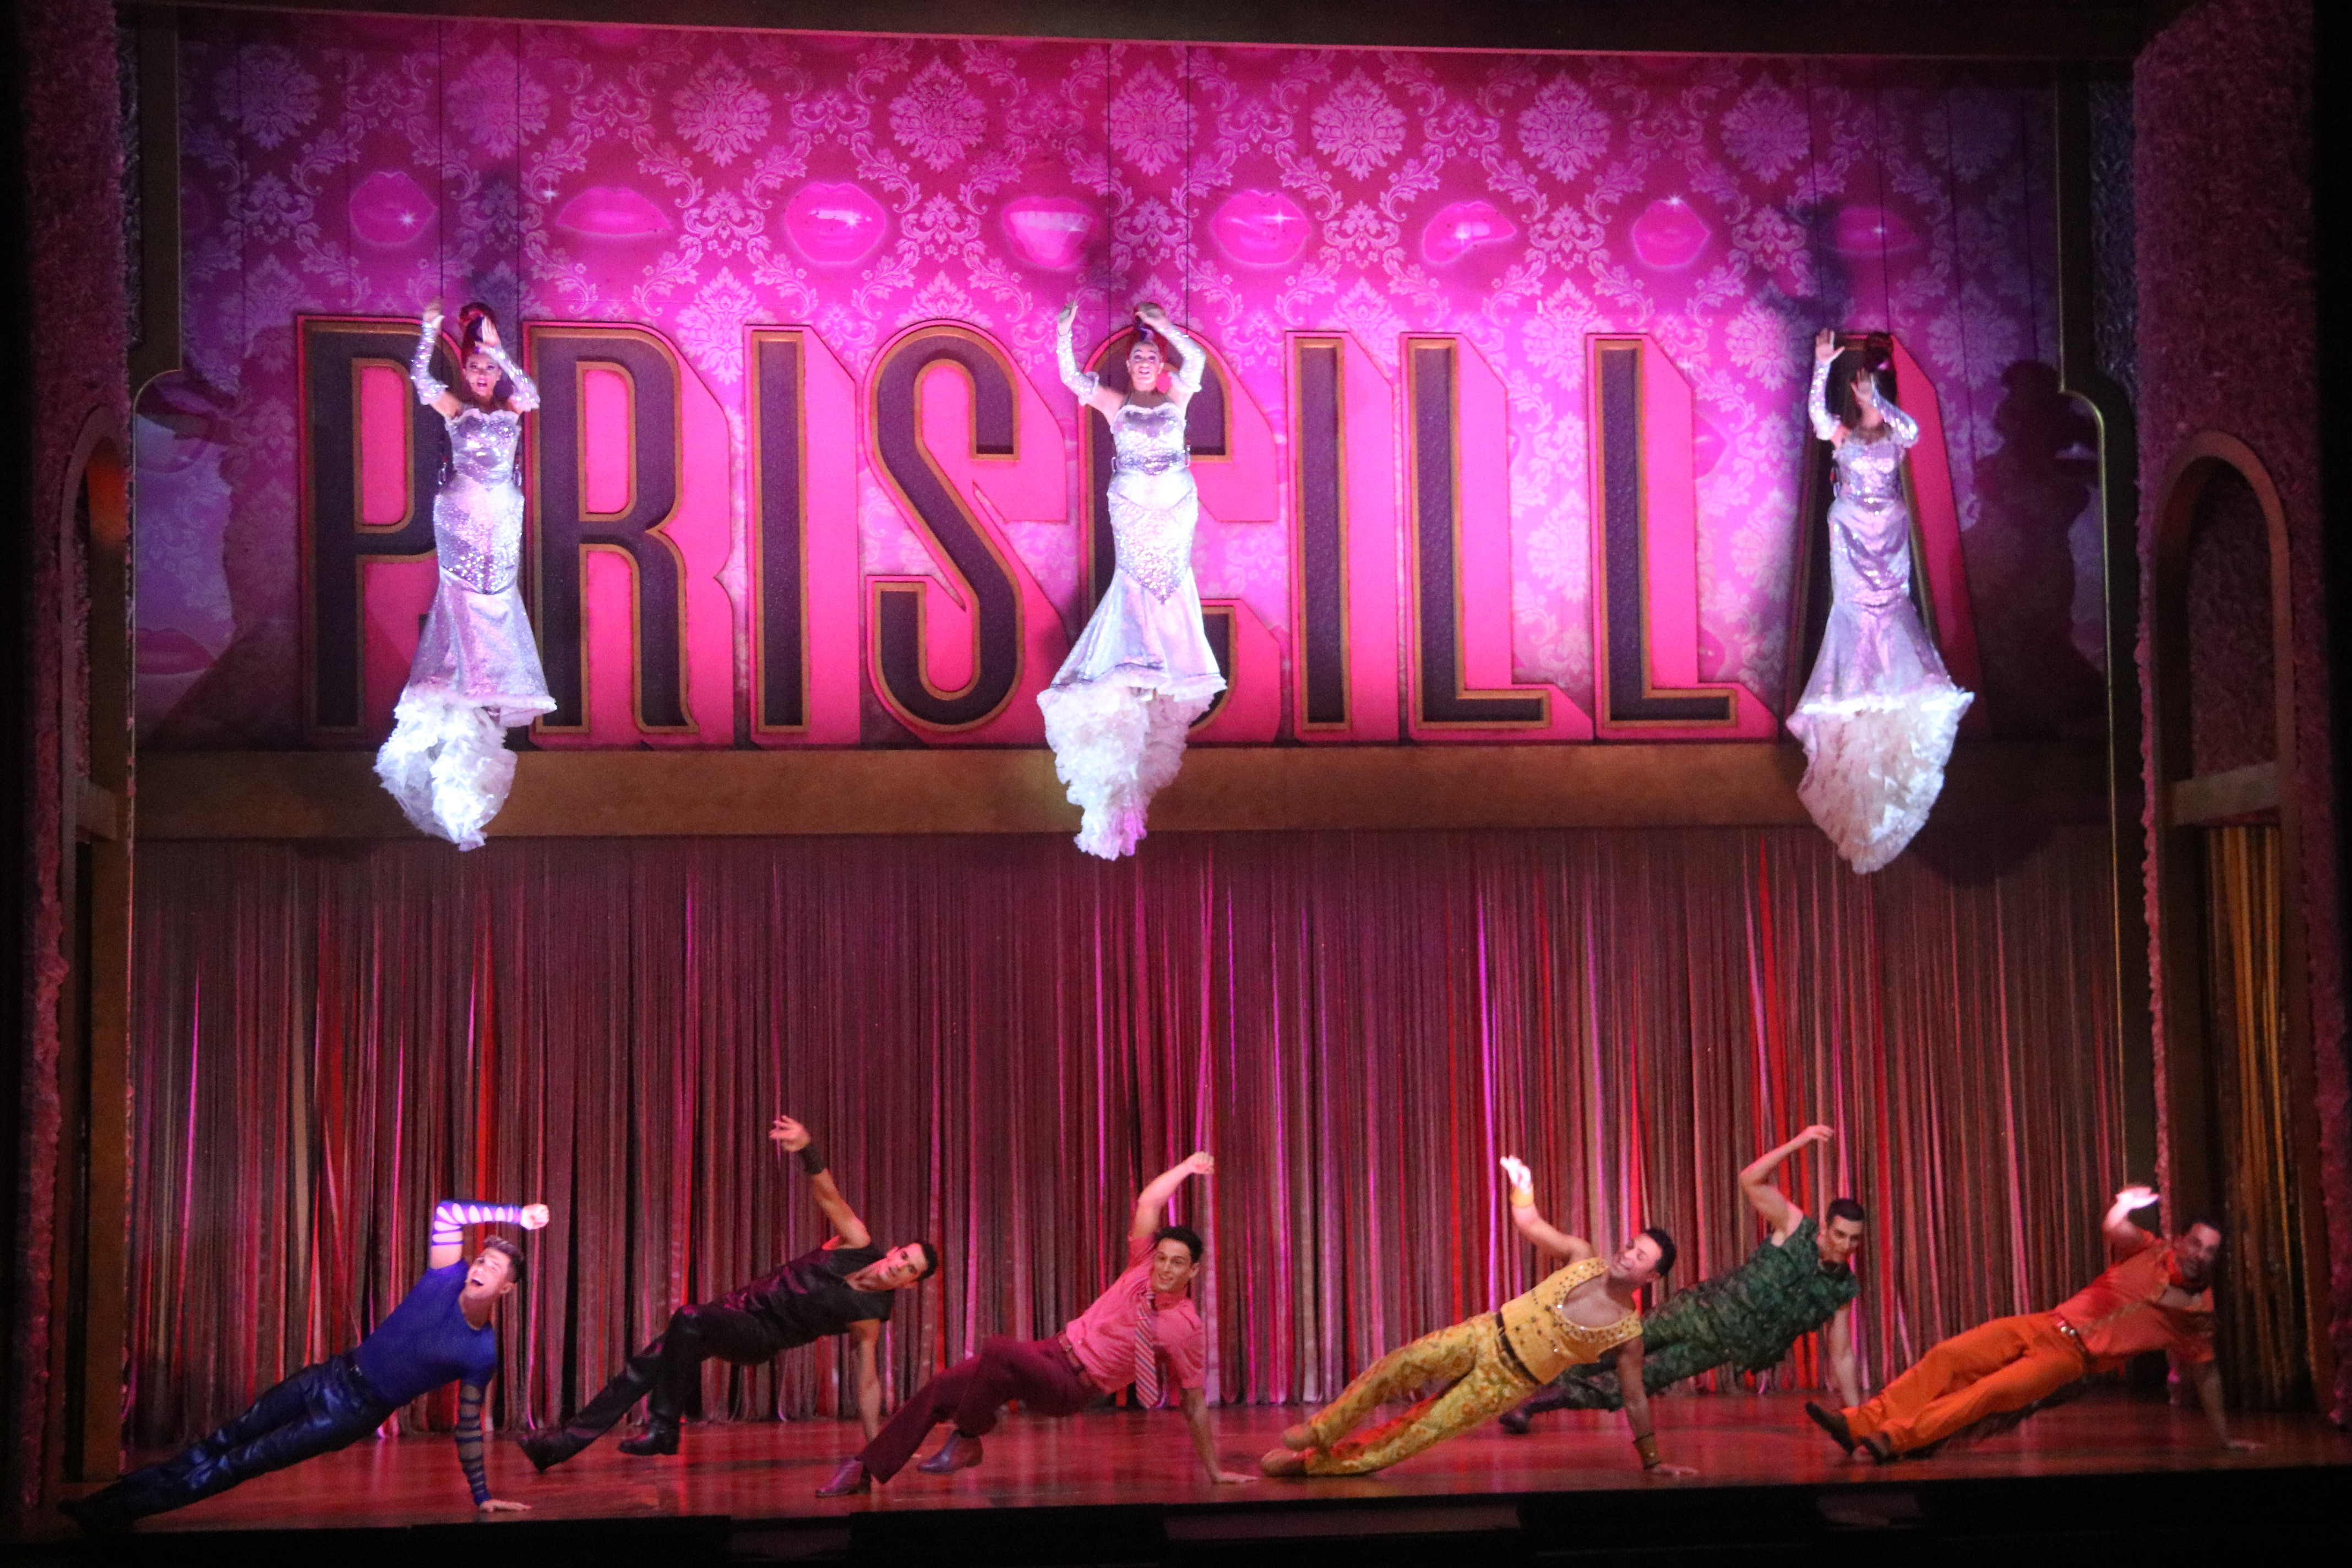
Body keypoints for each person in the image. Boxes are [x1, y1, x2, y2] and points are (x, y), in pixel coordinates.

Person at [60, 1197, 548, 1532]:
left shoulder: (481, 1352)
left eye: (493, 1267)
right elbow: (447, 1211)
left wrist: (481, 1495)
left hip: (351, 1413)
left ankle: (107, 1515)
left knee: (239, 1463)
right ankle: (111, 1503)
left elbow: (467, 1426)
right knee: (225, 1438)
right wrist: (515, 1214)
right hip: (330, 1374)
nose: (481, 1266)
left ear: (507, 1289)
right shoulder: (447, 1273)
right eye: (481, 1257)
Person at [818, 1152, 1253, 1494]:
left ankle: (968, 1436)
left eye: (1177, 1264)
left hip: (1073, 1387)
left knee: (1000, 1351)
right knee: (942, 1388)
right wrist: (1188, 1168)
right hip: (1051, 1351)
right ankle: (864, 1469)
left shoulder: (1186, 1326)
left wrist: (1215, 1472)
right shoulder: (1142, 1265)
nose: (1165, 1269)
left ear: (1194, 1271)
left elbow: (1195, 1405)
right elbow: (1149, 1201)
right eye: (1163, 1258)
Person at [520, 1114, 937, 1467]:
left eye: (909, 1270)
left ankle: (664, 1428)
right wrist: (808, 1148)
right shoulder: (856, 1242)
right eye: (904, 1257)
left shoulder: (871, 1312)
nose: (899, 1266)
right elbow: (827, 1195)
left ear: (911, 1284)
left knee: (689, 1317)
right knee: (646, 1366)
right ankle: (557, 1448)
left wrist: (877, 1442)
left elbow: (867, 1382)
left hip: (760, 1337)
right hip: (736, 1308)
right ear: (896, 1251)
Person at [1259, 1157, 1692, 1478]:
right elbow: (1532, 1225)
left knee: (1417, 1432)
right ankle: (1320, 1430)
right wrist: (1523, 1190)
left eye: (1639, 1256)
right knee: (1400, 1365)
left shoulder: (1627, 1333)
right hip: (1485, 1333)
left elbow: (1634, 1399)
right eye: (1630, 1244)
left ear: (1651, 1276)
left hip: (1508, 1383)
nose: (1626, 1254)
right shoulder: (1582, 1256)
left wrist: (1653, 1460)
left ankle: (1313, 1466)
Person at [1805, 1186, 2259, 1461]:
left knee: (1987, 1393)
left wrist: (2224, 1439)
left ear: (2216, 1259)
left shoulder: (2196, 1316)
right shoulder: (2150, 1249)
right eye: (2196, 1243)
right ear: (2182, 1240)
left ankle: (1894, 1439)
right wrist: (2125, 1203)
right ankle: (1858, 1424)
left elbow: (2207, 1373)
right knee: (1948, 1356)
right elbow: (2113, 1227)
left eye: (2210, 1251)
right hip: (2044, 1323)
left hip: (2071, 1359)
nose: (2200, 1255)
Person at [1501, 1124, 1864, 1431]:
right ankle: (1518, 1383)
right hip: (1697, 1310)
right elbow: (1750, 1179)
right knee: (1610, 1350)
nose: (1846, 1245)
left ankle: (1534, 1405)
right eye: (1840, 1235)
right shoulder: (1796, 1227)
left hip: (1715, 1348)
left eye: (1854, 1239)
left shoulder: (1840, 1289)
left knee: (1637, 1381)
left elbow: (1842, 1353)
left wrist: (1855, 1416)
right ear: (1826, 1229)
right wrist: (1799, 1141)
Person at [1039, 300, 1227, 859]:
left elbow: (1197, 364)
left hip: (1174, 504)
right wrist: (1064, 330)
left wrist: (1168, 328)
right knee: (1134, 579)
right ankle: (1132, 664)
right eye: (1138, 357)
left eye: (1151, 357)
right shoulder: (1116, 403)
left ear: (1159, 365)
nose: (1145, 363)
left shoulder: (1176, 396)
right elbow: (1072, 378)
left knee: (1170, 581)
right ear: (1128, 366)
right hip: (1132, 504)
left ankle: (1163, 662)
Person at [1787, 327, 1973, 873]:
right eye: (1861, 388)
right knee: (1853, 613)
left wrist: (1880, 402)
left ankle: (1893, 684)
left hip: (1888, 535)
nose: (1863, 393)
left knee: (1892, 610)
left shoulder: (1893, 436)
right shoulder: (1843, 436)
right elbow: (1819, 420)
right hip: (1849, 534)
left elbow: (1912, 430)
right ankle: (1852, 685)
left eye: (1870, 384)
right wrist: (1822, 365)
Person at [375, 299, 556, 851]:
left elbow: (533, 393)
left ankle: (491, 679)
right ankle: (461, 675)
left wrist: (502, 350)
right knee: (462, 592)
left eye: (489, 369)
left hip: (502, 510)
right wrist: (428, 330)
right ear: (466, 372)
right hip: (460, 508)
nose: (482, 375)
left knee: (498, 593)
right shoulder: (457, 409)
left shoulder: (512, 406)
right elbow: (417, 377)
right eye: (476, 367)